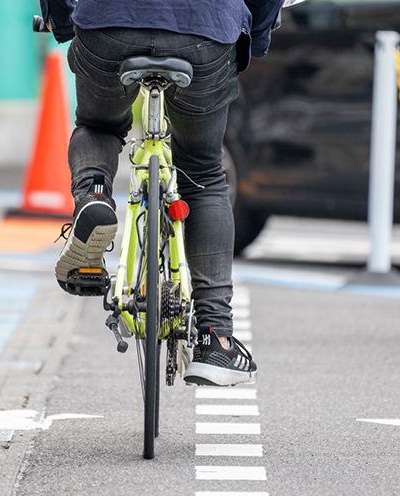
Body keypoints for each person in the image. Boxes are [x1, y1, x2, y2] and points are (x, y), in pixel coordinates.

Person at [45, 0, 285, 386]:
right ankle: (215, 338)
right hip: (206, 30)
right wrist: (253, 36)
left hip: (109, 25)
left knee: (99, 127)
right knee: (203, 169)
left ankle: (94, 196)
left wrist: (62, 20)